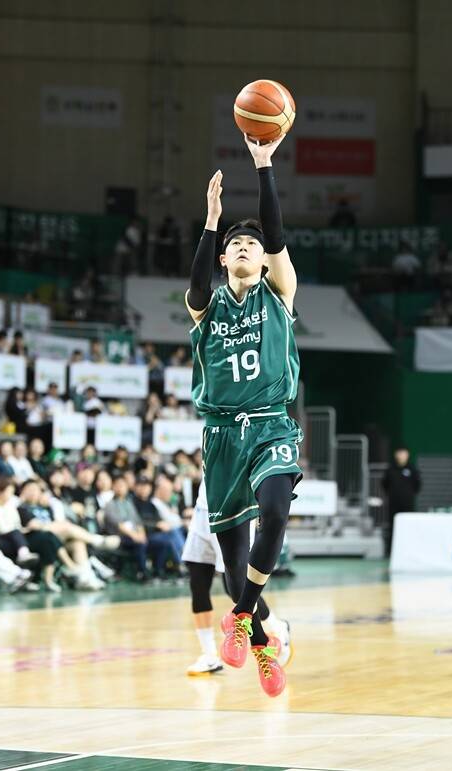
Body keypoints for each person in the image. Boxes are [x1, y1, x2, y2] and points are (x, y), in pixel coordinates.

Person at [185, 134, 302, 697]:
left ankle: (243, 613)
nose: (245, 248)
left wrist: (263, 166)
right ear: (224, 258)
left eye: (252, 245)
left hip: (270, 422)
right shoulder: (206, 311)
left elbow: (274, 234)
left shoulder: (278, 293)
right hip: (221, 437)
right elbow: (195, 286)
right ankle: (259, 644)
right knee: (231, 567)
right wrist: (212, 222)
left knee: (276, 509)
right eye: (236, 245)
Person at [182, 479, 291, 676]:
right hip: (203, 509)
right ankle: (209, 655)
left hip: (233, 508)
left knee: (235, 586)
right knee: (197, 581)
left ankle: (277, 627)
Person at [381, 447, 422, 558]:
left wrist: (408, 495)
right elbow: (384, 484)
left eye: (403, 453)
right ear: (396, 455)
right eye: (399, 453)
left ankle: (408, 550)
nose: (401, 455)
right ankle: (390, 551)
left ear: (407, 455)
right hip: (393, 504)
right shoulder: (390, 469)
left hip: (407, 504)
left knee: (408, 526)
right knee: (393, 526)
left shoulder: (412, 469)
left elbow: (417, 485)